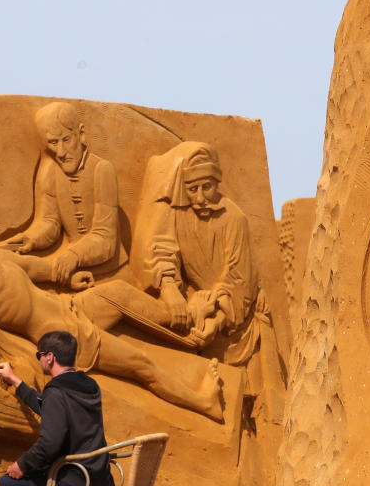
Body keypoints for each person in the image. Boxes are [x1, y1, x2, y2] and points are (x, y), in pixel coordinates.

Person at [0, 253, 224, 420]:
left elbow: (28, 267)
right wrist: (20, 360)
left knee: (119, 291)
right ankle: (205, 404)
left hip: (70, 303)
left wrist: (61, 275)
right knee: (141, 363)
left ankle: (189, 323)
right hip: (61, 331)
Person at [78, 142, 263, 363]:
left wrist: (215, 321)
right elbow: (163, 251)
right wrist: (170, 289)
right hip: (193, 310)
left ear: (217, 183)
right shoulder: (177, 213)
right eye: (192, 189)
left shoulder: (233, 218)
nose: (200, 197)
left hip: (230, 322)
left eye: (207, 187)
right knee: (117, 296)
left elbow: (239, 281)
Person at [0, 330, 115, 486]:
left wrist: (22, 465)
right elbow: (50, 408)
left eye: (38, 355)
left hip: (74, 478)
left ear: (50, 357)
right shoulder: (89, 386)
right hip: (99, 479)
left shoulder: (57, 391)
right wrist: (14, 380)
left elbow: (50, 443)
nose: (39, 360)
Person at [4, 102, 120, 286]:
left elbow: (105, 237)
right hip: (69, 270)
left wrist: (74, 255)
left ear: (81, 134)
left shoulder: (102, 169)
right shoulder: (50, 171)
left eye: (66, 139)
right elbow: (50, 222)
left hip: (111, 273)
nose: (61, 152)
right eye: (53, 142)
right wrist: (32, 239)